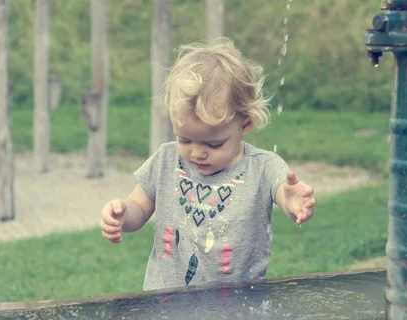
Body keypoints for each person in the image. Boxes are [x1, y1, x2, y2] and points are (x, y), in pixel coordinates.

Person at [100, 38, 316, 291]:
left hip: (238, 304)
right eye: (185, 139)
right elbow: (139, 207)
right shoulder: (166, 160)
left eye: (213, 145)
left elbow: (283, 192)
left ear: (245, 124)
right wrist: (123, 214)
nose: (197, 153)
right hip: (166, 301)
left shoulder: (263, 167)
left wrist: (293, 204)